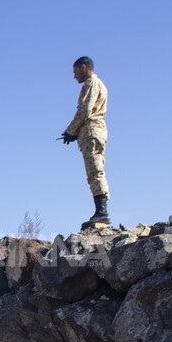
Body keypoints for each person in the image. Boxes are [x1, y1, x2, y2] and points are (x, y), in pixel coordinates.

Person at [60, 57, 109, 229]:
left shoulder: (91, 84)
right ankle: (100, 211)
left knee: (94, 171)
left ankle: (102, 212)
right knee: (95, 171)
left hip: (91, 131)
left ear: (83, 67)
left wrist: (70, 130)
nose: (74, 77)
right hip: (94, 131)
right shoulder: (97, 84)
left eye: (75, 72)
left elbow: (84, 110)